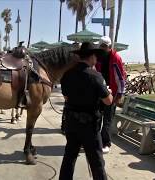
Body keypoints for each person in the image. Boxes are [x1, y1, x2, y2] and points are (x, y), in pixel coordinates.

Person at [59, 42, 113, 180]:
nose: (97, 59)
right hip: (89, 126)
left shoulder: (67, 75)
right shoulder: (96, 76)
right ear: (91, 57)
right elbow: (108, 101)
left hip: (71, 123)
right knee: (96, 162)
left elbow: (66, 97)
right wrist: (109, 92)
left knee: (69, 157)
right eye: (96, 56)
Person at [96, 36, 126, 153]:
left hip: (111, 93)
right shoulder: (97, 57)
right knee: (97, 118)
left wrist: (120, 95)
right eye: (101, 46)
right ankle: (96, 140)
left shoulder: (116, 58)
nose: (103, 48)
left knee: (107, 120)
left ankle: (106, 143)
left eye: (105, 46)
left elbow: (121, 78)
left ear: (109, 47)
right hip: (99, 93)